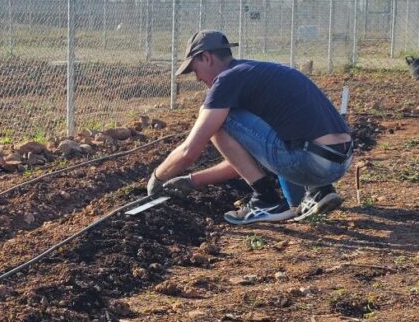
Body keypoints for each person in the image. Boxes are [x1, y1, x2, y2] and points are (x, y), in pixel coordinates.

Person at [147, 30, 353, 225]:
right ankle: (317, 191)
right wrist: (192, 181)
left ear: (207, 57)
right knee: (277, 128)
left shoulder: (226, 81)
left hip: (309, 161)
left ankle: (266, 200)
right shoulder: (258, 72)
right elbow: (251, 160)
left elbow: (188, 152)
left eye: (194, 69)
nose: (197, 78)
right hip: (339, 160)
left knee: (218, 122)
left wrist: (158, 177)